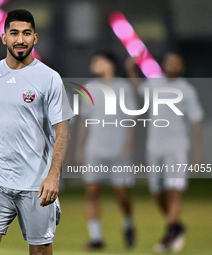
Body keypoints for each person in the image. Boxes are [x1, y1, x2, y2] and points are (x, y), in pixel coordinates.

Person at [0, 9, 73, 255]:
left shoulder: (49, 78)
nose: (20, 39)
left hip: (37, 182)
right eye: (14, 33)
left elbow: (62, 130)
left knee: (40, 251)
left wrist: (54, 175)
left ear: (35, 38)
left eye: (26, 33)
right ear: (4, 37)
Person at [125, 52, 204, 253]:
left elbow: (195, 123)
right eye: (169, 62)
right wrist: (131, 70)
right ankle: (178, 227)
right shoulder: (155, 84)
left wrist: (196, 153)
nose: (172, 65)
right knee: (158, 194)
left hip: (177, 147)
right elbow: (140, 91)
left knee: (174, 191)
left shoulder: (187, 90)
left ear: (182, 67)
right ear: (164, 65)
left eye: (176, 62)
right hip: (155, 147)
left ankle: (168, 236)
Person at [76, 51, 137, 251]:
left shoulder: (123, 87)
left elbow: (131, 118)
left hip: (118, 148)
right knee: (92, 192)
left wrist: (128, 144)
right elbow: (84, 120)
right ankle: (96, 238)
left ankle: (128, 224)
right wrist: (80, 147)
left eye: (98, 61)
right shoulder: (89, 87)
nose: (94, 65)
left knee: (121, 193)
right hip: (95, 147)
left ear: (110, 64)